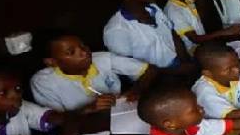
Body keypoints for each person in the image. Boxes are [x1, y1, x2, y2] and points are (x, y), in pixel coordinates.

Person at [29, 32, 157, 113]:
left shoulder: (102, 59)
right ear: (52, 62)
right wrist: (89, 109)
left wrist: (136, 90)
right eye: (71, 52)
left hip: (120, 114)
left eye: (83, 46)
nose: (84, 53)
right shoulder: (43, 82)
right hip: (85, 130)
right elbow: (55, 121)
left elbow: (149, 70)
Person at [103, 0, 190, 71]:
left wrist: (185, 62)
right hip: (159, 77)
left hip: (179, 64)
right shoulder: (116, 30)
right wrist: (176, 71)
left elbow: (174, 36)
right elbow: (130, 69)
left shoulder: (154, 9)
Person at [165, 0, 240, 55]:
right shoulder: (174, 11)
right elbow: (195, 39)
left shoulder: (187, 1)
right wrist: (225, 31)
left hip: (202, 42)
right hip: (191, 51)